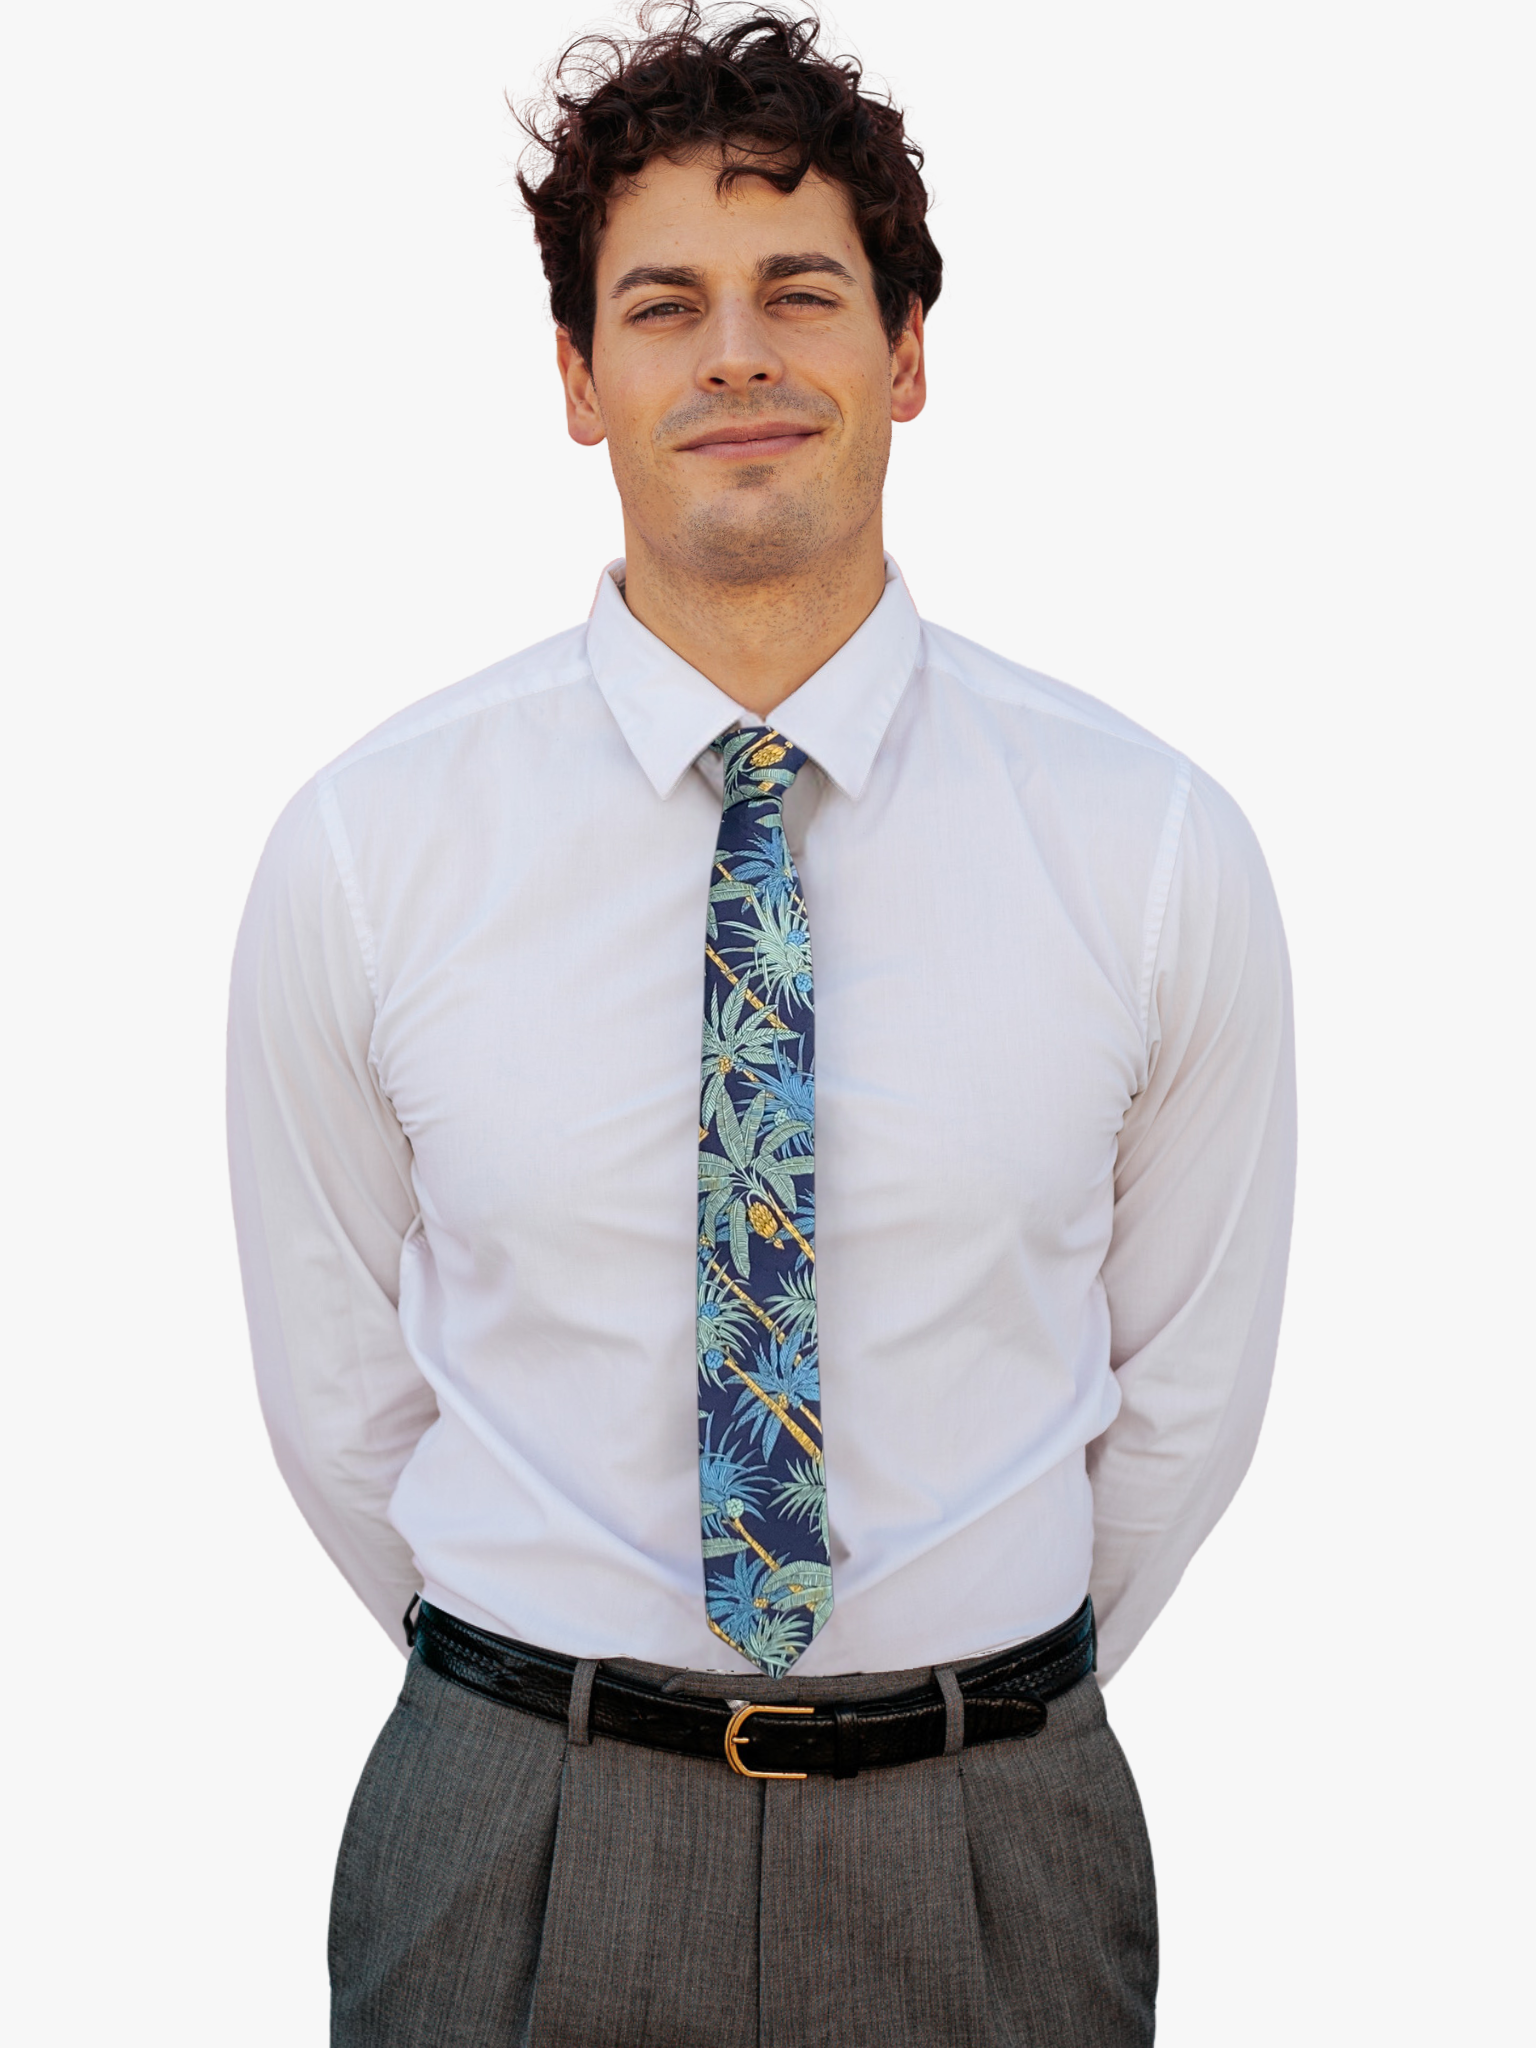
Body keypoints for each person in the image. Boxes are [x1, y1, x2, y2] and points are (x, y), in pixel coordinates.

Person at [227, 8, 1295, 2043]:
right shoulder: (368, 849)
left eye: (801, 290)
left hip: (993, 1837)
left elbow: (1181, 1403)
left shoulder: (1152, 847)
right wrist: (567, 1707)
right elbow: (339, 1393)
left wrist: (953, 1703)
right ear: (576, 377)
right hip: (510, 1834)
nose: (736, 353)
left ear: (904, 355)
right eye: (663, 304)